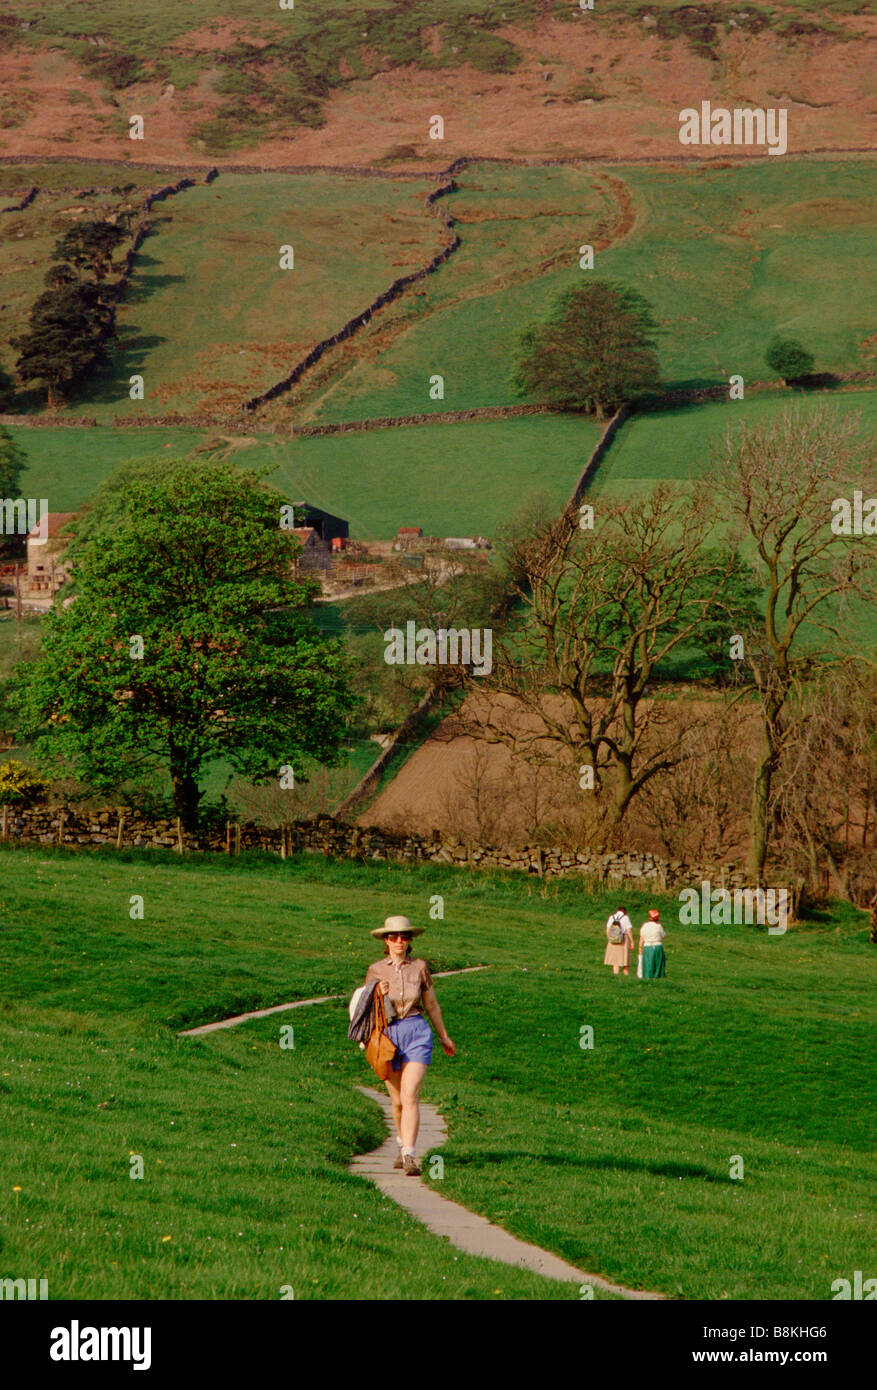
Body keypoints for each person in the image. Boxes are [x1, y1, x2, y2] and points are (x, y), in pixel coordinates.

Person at [364, 915, 455, 1176]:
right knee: (396, 1101)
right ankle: (401, 1143)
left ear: (410, 940)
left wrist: (444, 1036)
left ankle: (410, 1155)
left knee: (410, 1095)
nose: (399, 941)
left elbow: (432, 1005)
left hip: (417, 1032)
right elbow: (364, 1008)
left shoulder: (420, 968)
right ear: (386, 941)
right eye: (394, 937)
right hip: (387, 1036)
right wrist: (376, 994)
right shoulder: (375, 970)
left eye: (404, 937)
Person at [603, 906, 635, 976]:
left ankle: (616, 975)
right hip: (623, 939)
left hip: (613, 939)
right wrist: (632, 941)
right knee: (625, 959)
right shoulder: (625, 918)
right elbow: (629, 930)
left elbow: (607, 930)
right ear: (625, 912)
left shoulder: (611, 917)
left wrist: (610, 939)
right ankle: (626, 975)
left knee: (615, 960)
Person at [638, 908, 666, 979]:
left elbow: (641, 937)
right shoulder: (659, 926)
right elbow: (664, 935)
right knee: (658, 963)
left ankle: (648, 977)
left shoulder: (644, 926)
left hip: (647, 946)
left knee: (648, 964)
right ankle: (658, 977)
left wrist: (640, 947)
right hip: (657, 946)